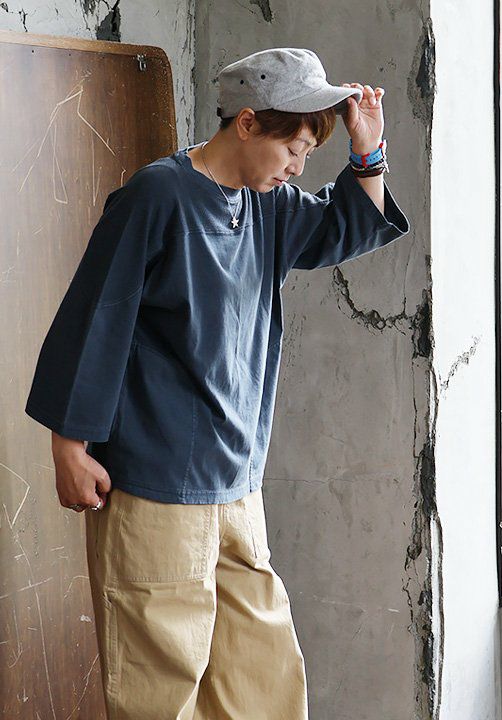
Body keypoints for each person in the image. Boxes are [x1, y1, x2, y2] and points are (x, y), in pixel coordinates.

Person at [23, 47, 410, 718]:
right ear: (248, 123)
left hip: (238, 484)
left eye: (308, 154)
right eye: (293, 147)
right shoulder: (158, 196)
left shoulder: (269, 206)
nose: (298, 167)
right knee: (159, 685)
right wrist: (69, 446)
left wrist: (367, 151)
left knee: (261, 679)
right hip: (156, 485)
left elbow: (345, 226)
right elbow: (98, 313)